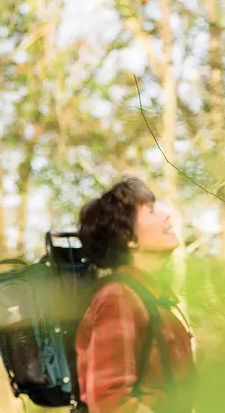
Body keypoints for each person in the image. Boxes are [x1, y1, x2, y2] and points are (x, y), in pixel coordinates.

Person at [75, 176, 194, 413]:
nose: (165, 215)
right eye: (150, 211)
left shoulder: (156, 301)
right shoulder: (117, 298)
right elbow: (110, 401)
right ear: (128, 238)